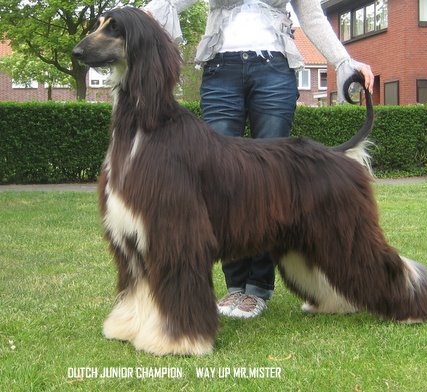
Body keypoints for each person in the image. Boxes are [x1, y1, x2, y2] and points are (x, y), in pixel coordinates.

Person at [144, 0, 374, 319]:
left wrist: (345, 61)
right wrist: (139, 15)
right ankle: (235, 286)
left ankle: (258, 288)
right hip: (221, 70)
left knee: (271, 184)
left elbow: (311, 16)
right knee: (222, 183)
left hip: (275, 71)